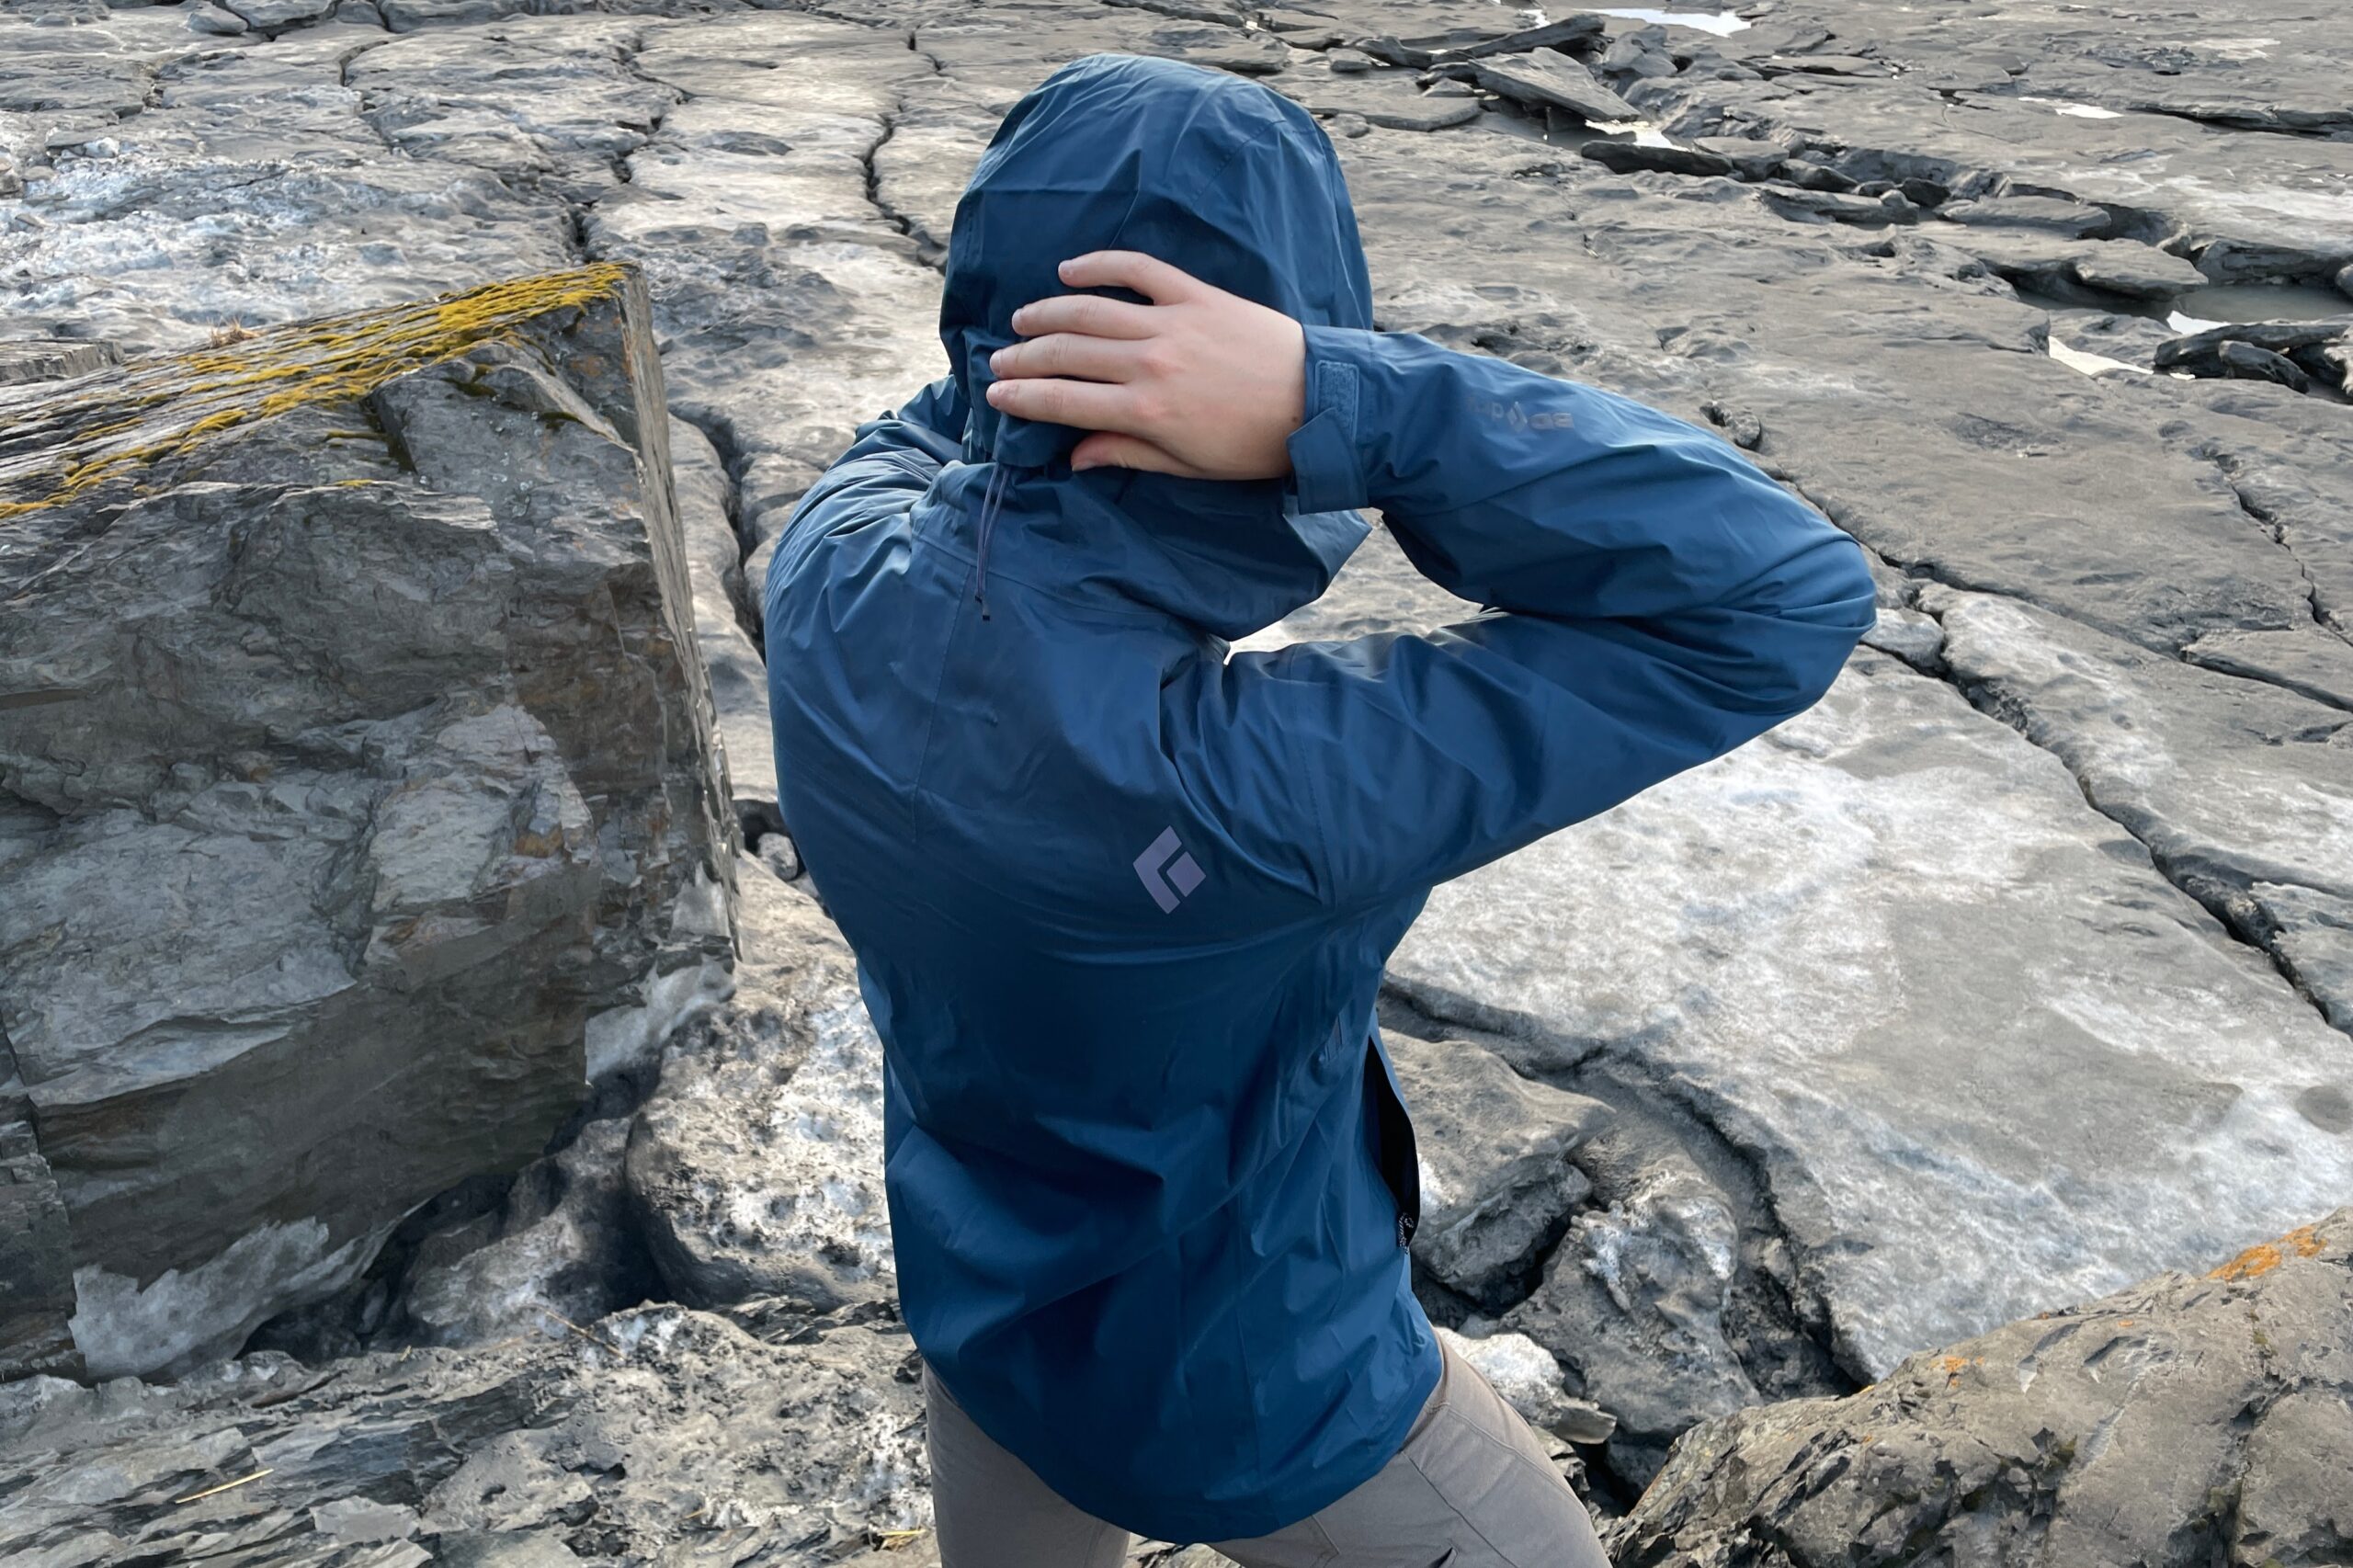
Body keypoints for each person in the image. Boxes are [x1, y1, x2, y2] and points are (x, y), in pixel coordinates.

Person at [763, 51, 1875, 1568]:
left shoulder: (828, 577)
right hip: (1269, 1396)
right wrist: (1329, 394)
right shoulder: (1249, 787)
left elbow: (952, 419)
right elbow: (1778, 594)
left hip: (987, 1324)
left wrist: (1031, 349)